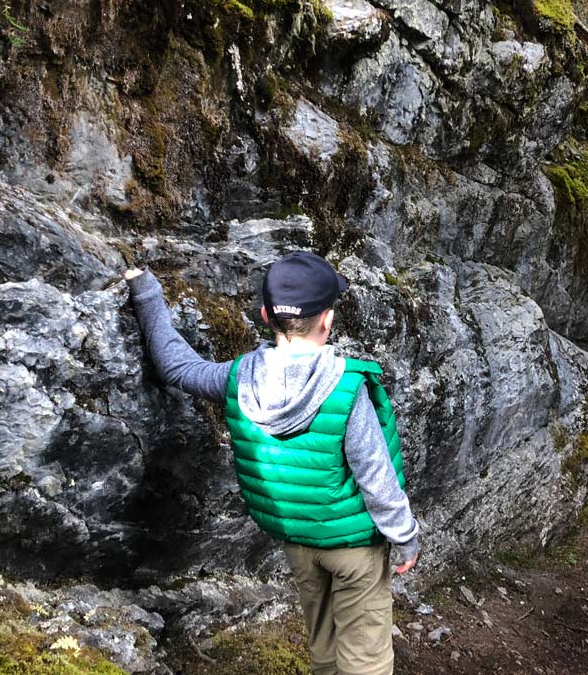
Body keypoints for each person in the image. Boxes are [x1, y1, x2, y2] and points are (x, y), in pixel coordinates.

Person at [124, 251, 419, 675]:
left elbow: (177, 366)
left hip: (297, 542)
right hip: (354, 548)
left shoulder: (238, 377)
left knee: (324, 648)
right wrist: (404, 535)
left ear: (265, 315)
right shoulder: (345, 387)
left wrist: (145, 290)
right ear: (328, 320)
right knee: (366, 658)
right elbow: (375, 474)